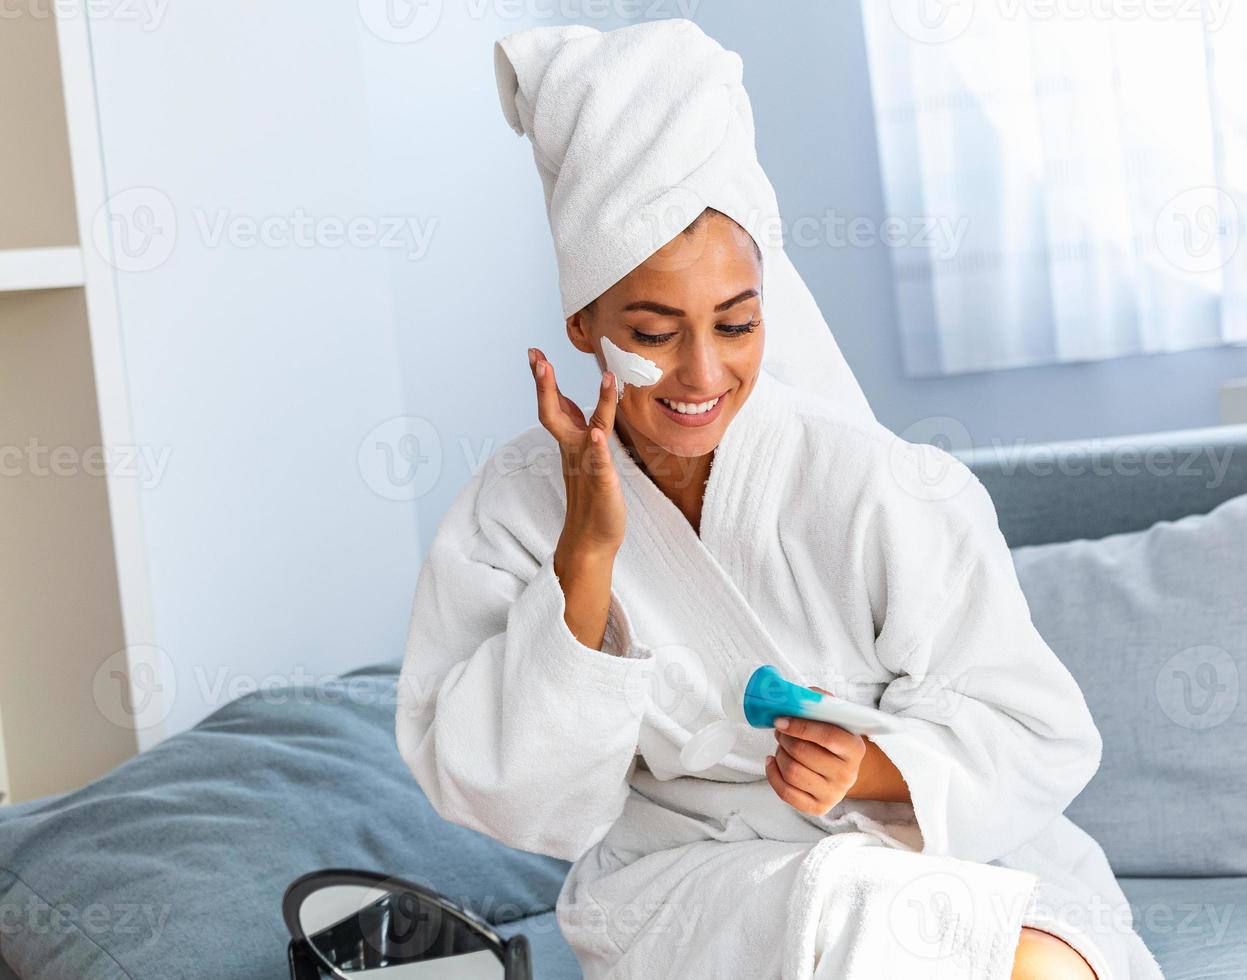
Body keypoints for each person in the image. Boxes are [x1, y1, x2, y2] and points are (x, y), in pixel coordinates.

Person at [396, 19, 1164, 980]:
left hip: (930, 846)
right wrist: (583, 562)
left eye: (737, 324)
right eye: (655, 329)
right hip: (693, 888)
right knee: (883, 932)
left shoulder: (879, 484)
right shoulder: (512, 511)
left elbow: (1038, 733)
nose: (702, 372)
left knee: (1048, 965)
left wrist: (871, 768)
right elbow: (510, 798)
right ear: (584, 321)